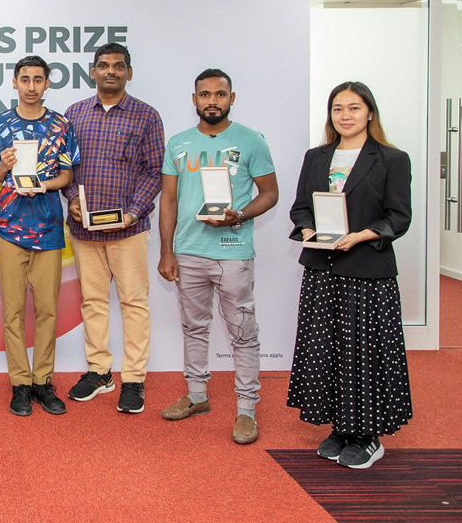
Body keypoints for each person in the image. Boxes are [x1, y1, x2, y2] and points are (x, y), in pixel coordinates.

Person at [288, 80, 412, 469]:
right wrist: (308, 231)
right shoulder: (316, 156)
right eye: (338, 108)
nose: (346, 115)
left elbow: (398, 216)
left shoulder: (392, 158)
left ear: (370, 113)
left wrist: (360, 235)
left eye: (354, 108)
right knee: (327, 350)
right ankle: (341, 429)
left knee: (365, 353)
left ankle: (368, 435)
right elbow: (300, 208)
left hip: (366, 271)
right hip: (323, 269)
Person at [157, 68, 278, 444]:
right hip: (189, 251)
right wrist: (166, 251)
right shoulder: (178, 143)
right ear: (194, 100)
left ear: (231, 98)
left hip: (233, 252)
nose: (212, 101)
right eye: (205, 94)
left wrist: (239, 216)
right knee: (194, 327)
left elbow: (270, 193)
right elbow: (169, 201)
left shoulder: (251, 140)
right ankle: (196, 396)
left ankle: (246, 411)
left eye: (220, 95)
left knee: (242, 332)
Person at [62, 42, 165, 414]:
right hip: (85, 231)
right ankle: (100, 371)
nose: (110, 72)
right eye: (103, 66)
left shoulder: (147, 116)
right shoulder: (74, 114)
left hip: (128, 230)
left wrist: (134, 213)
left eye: (118, 66)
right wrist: (72, 198)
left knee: (134, 303)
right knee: (93, 302)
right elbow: (65, 168)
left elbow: (155, 171)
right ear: (92, 71)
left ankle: (134, 378)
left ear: (129, 73)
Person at [0, 56, 79, 417]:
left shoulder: (61, 125)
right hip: (9, 227)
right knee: (12, 312)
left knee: (47, 310)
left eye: (38, 80)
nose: (31, 86)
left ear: (47, 84)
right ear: (14, 82)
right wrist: (6, 165)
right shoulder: (0, 124)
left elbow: (67, 177)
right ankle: (20, 384)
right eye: (25, 79)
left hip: (50, 228)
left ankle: (43, 381)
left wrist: (44, 183)